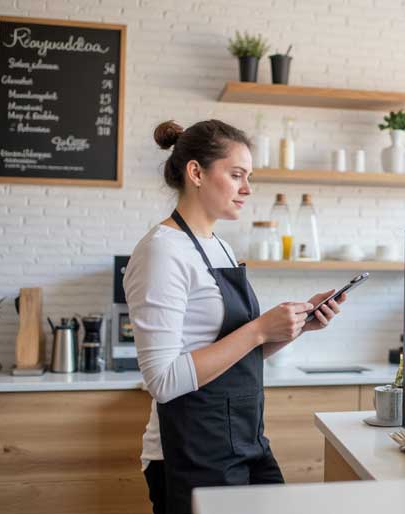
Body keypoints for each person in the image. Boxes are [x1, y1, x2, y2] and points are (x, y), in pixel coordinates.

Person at [123, 119, 346, 514]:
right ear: (196, 172)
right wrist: (260, 329)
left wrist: (295, 328)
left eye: (250, 177)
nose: (247, 189)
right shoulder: (161, 252)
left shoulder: (220, 247)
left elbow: (236, 354)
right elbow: (162, 381)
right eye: (237, 175)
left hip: (246, 441)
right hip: (191, 453)